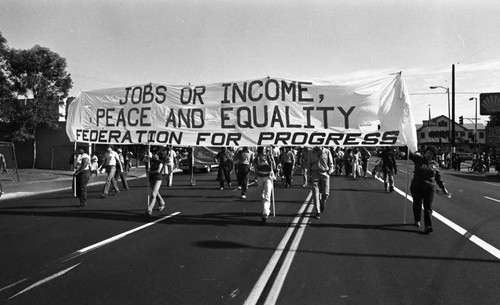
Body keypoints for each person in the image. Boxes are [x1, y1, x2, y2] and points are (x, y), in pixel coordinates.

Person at [409, 146, 449, 234]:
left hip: (430, 187)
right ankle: (417, 219)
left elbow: (438, 177)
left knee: (428, 207)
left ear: (433, 155)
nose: (429, 154)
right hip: (417, 186)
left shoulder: (435, 164)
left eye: (431, 153)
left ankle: (428, 226)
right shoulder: (418, 159)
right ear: (425, 152)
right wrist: (409, 144)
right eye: (427, 152)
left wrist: (443, 187)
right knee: (417, 203)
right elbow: (410, 154)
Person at [307, 146, 334, 219]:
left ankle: (322, 203)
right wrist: (308, 176)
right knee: (315, 194)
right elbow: (308, 165)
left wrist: (329, 171)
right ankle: (317, 211)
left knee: (326, 194)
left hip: (324, 174)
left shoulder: (327, 151)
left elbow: (331, 163)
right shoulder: (311, 153)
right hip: (315, 174)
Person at [253, 146, 276, 223]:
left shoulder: (268, 158)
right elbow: (256, 171)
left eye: (265, 150)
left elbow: (274, 168)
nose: (265, 151)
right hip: (260, 178)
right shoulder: (256, 159)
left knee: (267, 195)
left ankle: (265, 213)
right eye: (263, 150)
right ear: (260, 150)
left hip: (268, 178)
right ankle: (266, 209)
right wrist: (266, 172)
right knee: (262, 196)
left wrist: (272, 160)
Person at [146, 151, 166, 216]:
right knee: (156, 193)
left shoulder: (160, 162)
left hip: (158, 179)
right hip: (151, 179)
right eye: (153, 154)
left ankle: (149, 209)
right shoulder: (150, 162)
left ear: (158, 155)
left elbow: (158, 171)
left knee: (153, 194)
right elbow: (144, 160)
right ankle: (162, 203)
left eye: (155, 154)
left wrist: (150, 172)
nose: (154, 155)